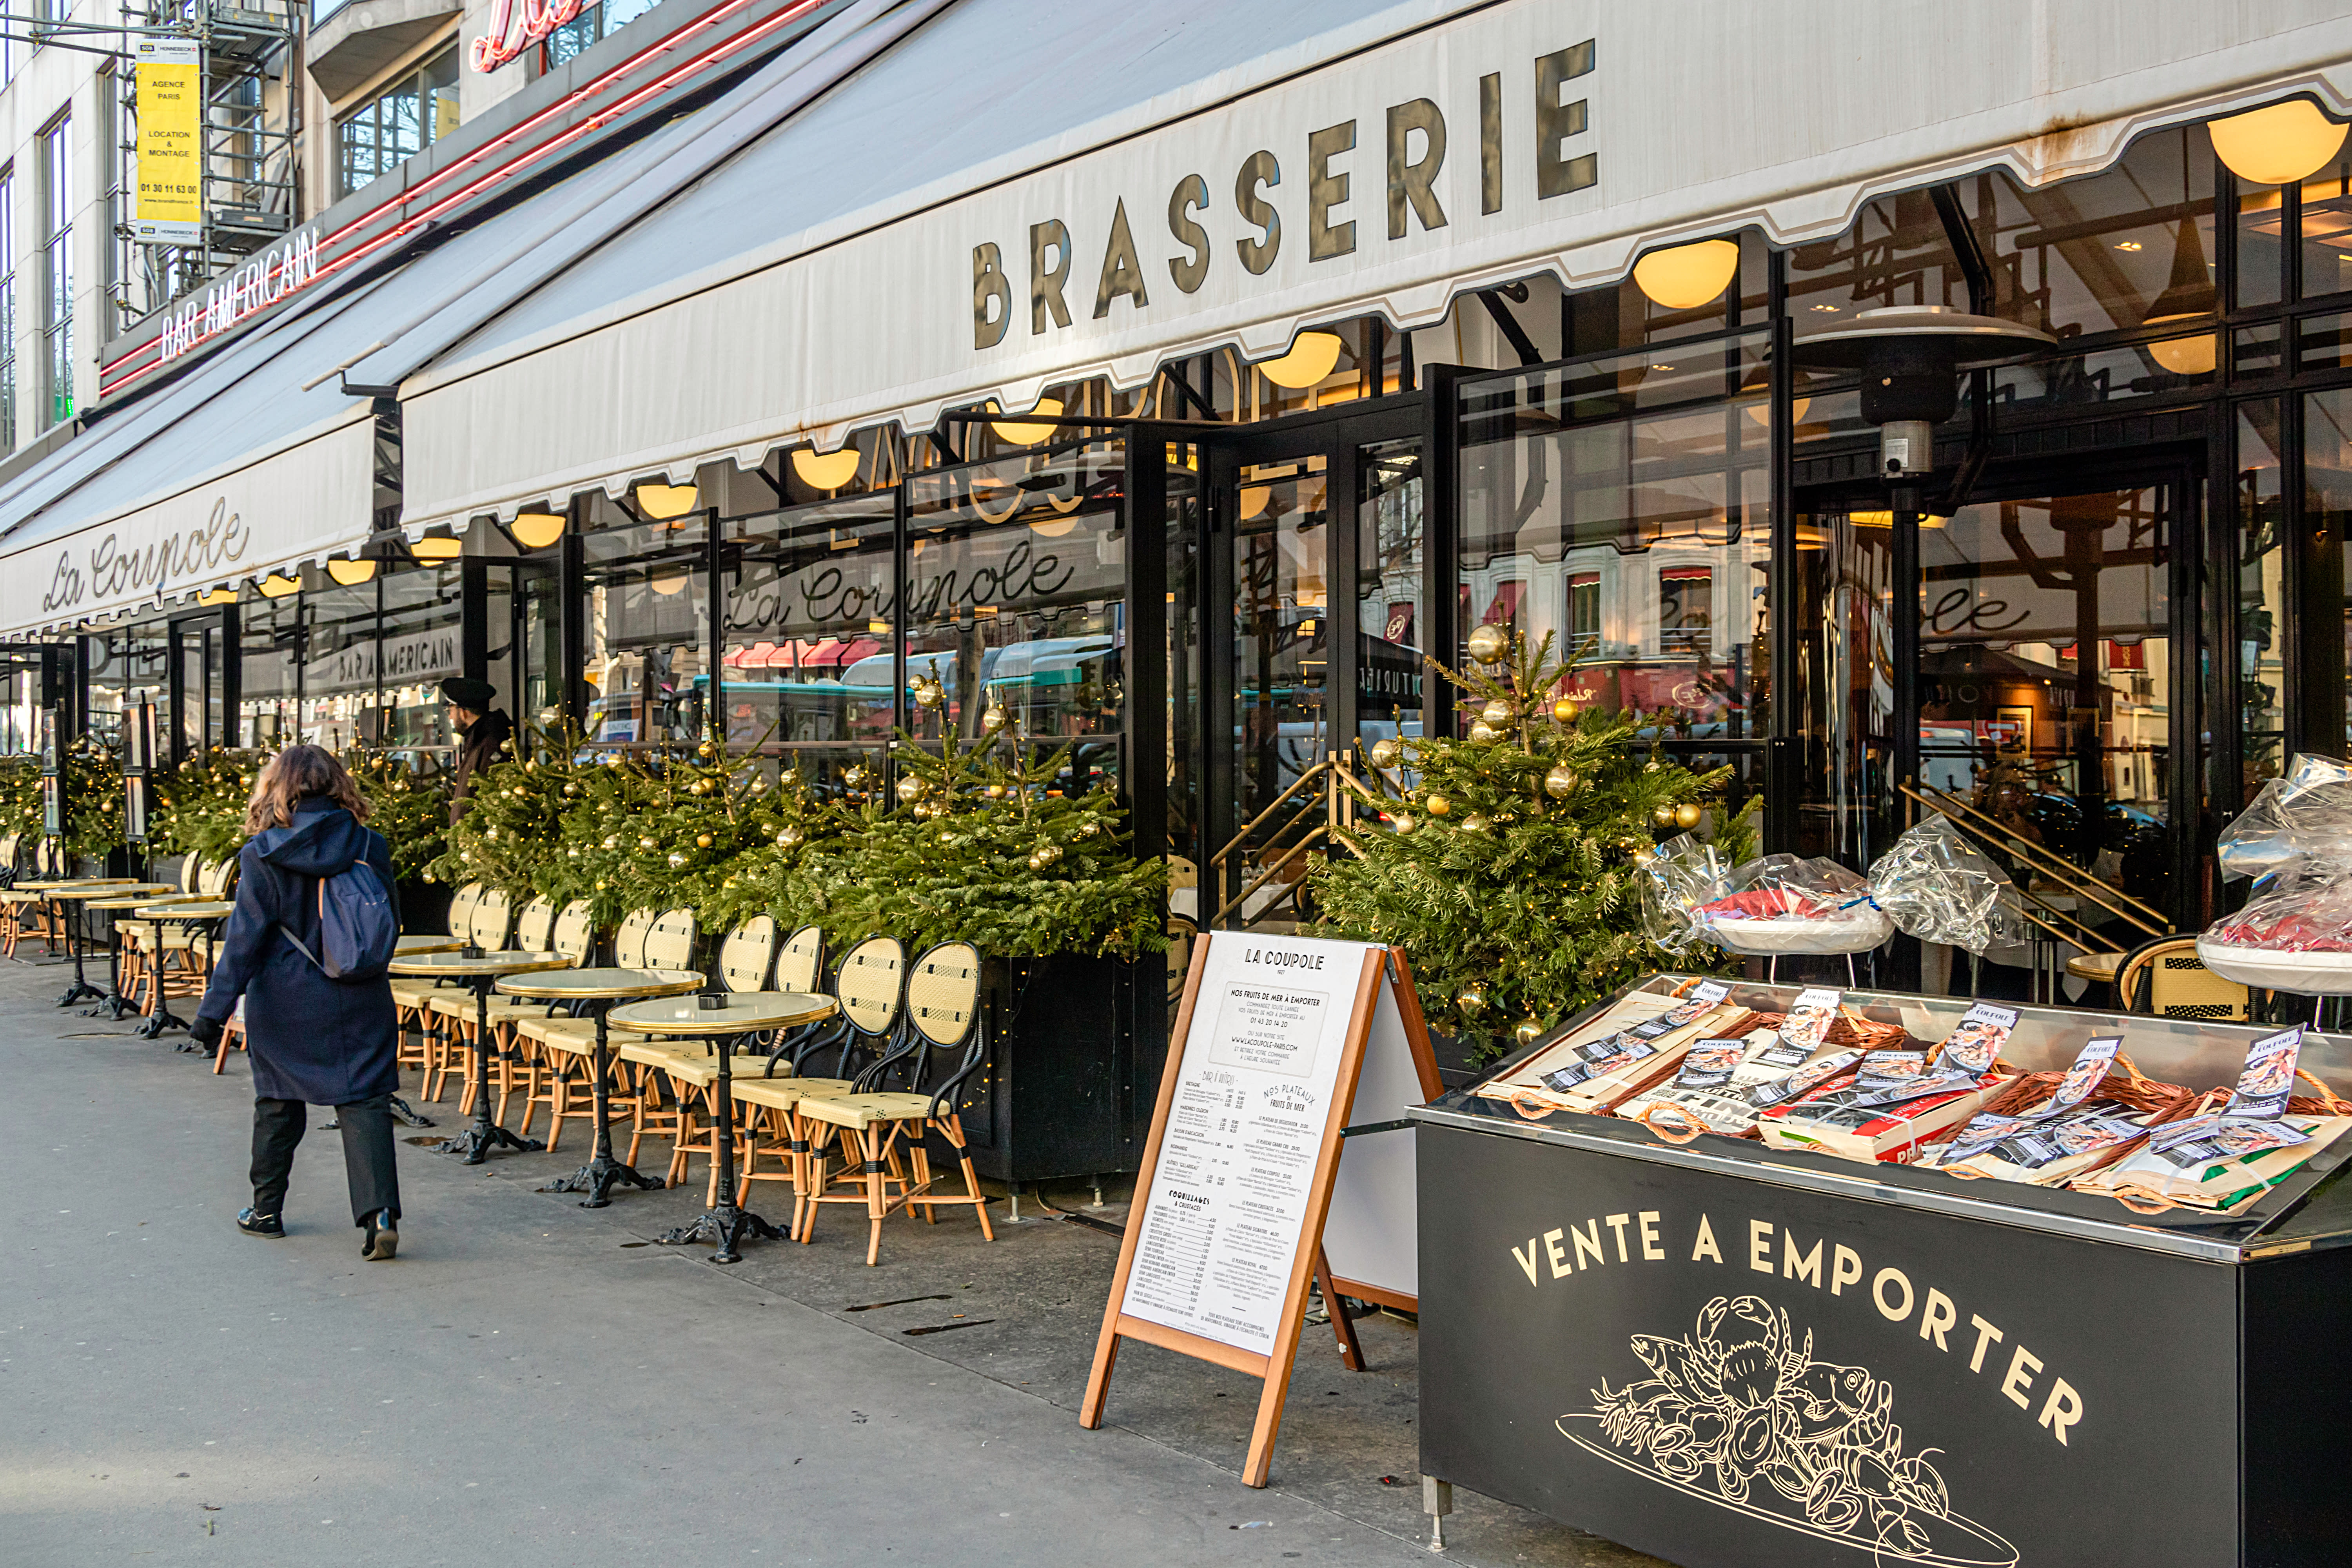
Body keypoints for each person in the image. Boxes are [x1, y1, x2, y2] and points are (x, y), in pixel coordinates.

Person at [188, 746, 403, 1260]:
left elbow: (244, 943)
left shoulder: (262, 854)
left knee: (277, 1104)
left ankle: (266, 1211)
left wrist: (210, 1015)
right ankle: (381, 1215)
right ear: (338, 786)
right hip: (360, 996)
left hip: (286, 1001)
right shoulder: (370, 845)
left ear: (279, 789)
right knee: (365, 1101)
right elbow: (391, 920)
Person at [439, 676, 513, 824]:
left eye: (450, 711)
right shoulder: (478, 739)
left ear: (464, 712)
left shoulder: (491, 743)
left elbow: (491, 796)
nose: (451, 717)